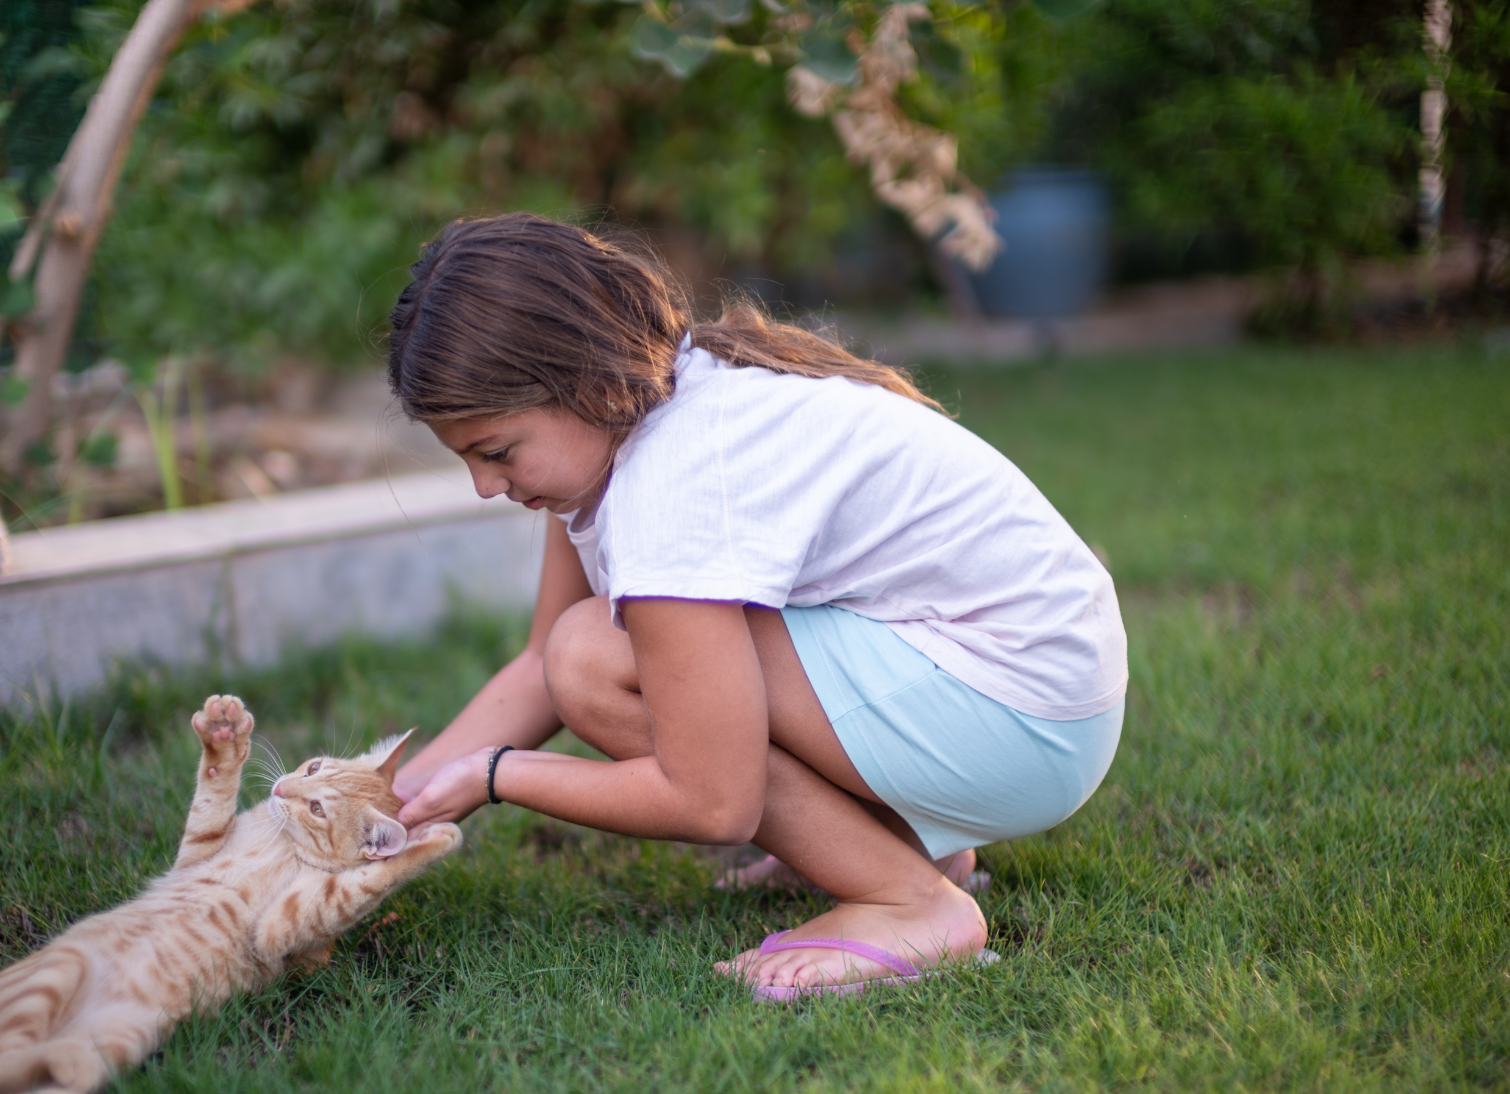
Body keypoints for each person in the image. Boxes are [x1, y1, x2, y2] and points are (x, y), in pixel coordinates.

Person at [389, 213, 1126, 1002]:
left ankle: (908, 902)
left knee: (597, 658)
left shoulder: (673, 483)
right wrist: (381, 809)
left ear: (588, 382)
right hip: (1039, 696)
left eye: (497, 451)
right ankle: (899, 846)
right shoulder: (645, 405)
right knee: (583, 651)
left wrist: (501, 774)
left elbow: (714, 797)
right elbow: (535, 668)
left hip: (1021, 717)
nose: (485, 486)